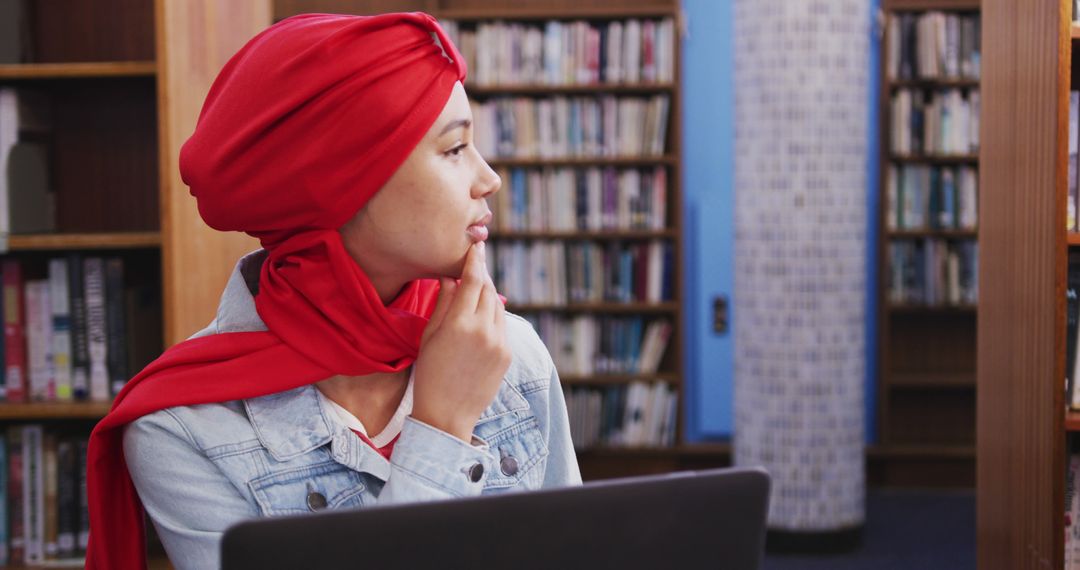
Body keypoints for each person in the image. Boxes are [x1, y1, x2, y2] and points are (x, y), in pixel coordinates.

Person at [84, 12, 581, 570]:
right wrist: (440, 427)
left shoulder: (515, 355)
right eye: (454, 148)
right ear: (341, 182)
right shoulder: (180, 427)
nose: (488, 177)